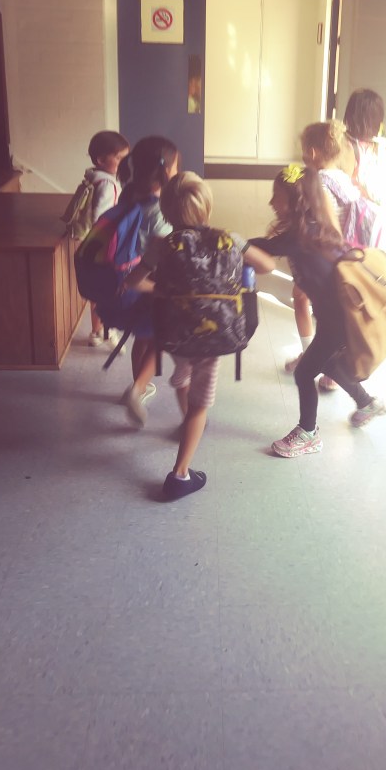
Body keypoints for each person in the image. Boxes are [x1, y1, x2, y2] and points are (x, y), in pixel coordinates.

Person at [126, 172, 274, 499]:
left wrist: (163, 290)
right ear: (207, 205)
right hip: (216, 334)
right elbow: (266, 266)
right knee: (201, 405)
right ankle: (180, 475)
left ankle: (186, 412)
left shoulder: (162, 245)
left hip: (175, 331)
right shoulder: (229, 239)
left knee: (183, 369)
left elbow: (133, 282)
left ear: (166, 212)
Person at [250, 164, 386, 458]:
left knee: (304, 373)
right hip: (334, 318)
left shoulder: (302, 237)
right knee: (330, 365)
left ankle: (308, 433)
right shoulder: (310, 230)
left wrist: (233, 243)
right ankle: (367, 403)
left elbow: (266, 247)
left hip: (340, 322)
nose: (271, 202)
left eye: (277, 196)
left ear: (296, 201)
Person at [285, 119, 357, 390]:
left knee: (302, 300)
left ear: (312, 152)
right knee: (335, 315)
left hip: (324, 261)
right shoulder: (345, 180)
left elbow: (320, 225)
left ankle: (312, 356)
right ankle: (330, 367)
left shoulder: (318, 184)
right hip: (347, 260)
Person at [115, 136, 180, 421]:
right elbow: (163, 249)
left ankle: (138, 385)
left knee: (142, 335)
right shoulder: (159, 209)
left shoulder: (128, 194)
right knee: (160, 337)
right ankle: (138, 387)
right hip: (150, 281)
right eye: (176, 166)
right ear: (166, 170)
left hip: (124, 277)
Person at [343, 88, 386, 272]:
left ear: (350, 116)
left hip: (355, 217)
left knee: (352, 267)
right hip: (383, 218)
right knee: (379, 268)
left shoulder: (346, 146)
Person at [85, 130, 130, 346]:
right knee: (107, 289)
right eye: (119, 158)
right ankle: (106, 330)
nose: (124, 163)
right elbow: (102, 218)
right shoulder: (108, 185)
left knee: (96, 290)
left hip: (91, 244)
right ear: (101, 160)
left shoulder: (93, 178)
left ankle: (96, 331)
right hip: (104, 246)